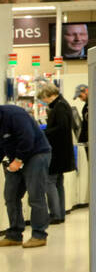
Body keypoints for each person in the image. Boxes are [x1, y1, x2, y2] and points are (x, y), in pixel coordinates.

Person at [0, 103, 52, 248]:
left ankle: (39, 234)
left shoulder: (14, 115)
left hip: (37, 154)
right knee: (10, 195)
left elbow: (27, 138)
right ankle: (14, 235)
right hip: (16, 157)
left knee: (35, 196)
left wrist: (18, 160)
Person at [37, 85, 76, 224]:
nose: (44, 101)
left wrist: (44, 132)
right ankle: (60, 213)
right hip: (63, 151)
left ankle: (55, 214)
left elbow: (61, 128)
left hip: (57, 151)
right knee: (58, 183)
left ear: (49, 95)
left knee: (50, 182)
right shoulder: (63, 104)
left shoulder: (59, 107)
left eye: (44, 98)